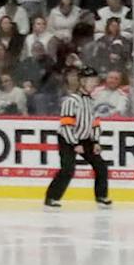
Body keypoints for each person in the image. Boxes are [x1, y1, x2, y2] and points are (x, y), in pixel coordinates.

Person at [42, 66, 111, 208]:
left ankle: (101, 196)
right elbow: (67, 125)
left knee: (101, 166)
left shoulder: (92, 101)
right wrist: (74, 144)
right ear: (82, 82)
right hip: (68, 139)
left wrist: (96, 140)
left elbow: (95, 123)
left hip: (86, 139)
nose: (94, 83)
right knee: (68, 169)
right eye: (91, 80)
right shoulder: (71, 101)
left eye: (95, 80)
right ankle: (51, 197)